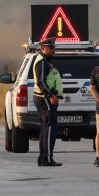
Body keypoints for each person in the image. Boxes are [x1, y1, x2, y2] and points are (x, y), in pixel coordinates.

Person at [31, 38, 62, 166]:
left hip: (44, 98)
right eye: (50, 48)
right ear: (43, 48)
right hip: (45, 98)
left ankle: (43, 158)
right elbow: (41, 82)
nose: (53, 50)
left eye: (54, 47)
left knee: (45, 128)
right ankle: (47, 158)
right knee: (49, 129)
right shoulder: (42, 62)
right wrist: (51, 95)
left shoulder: (46, 61)